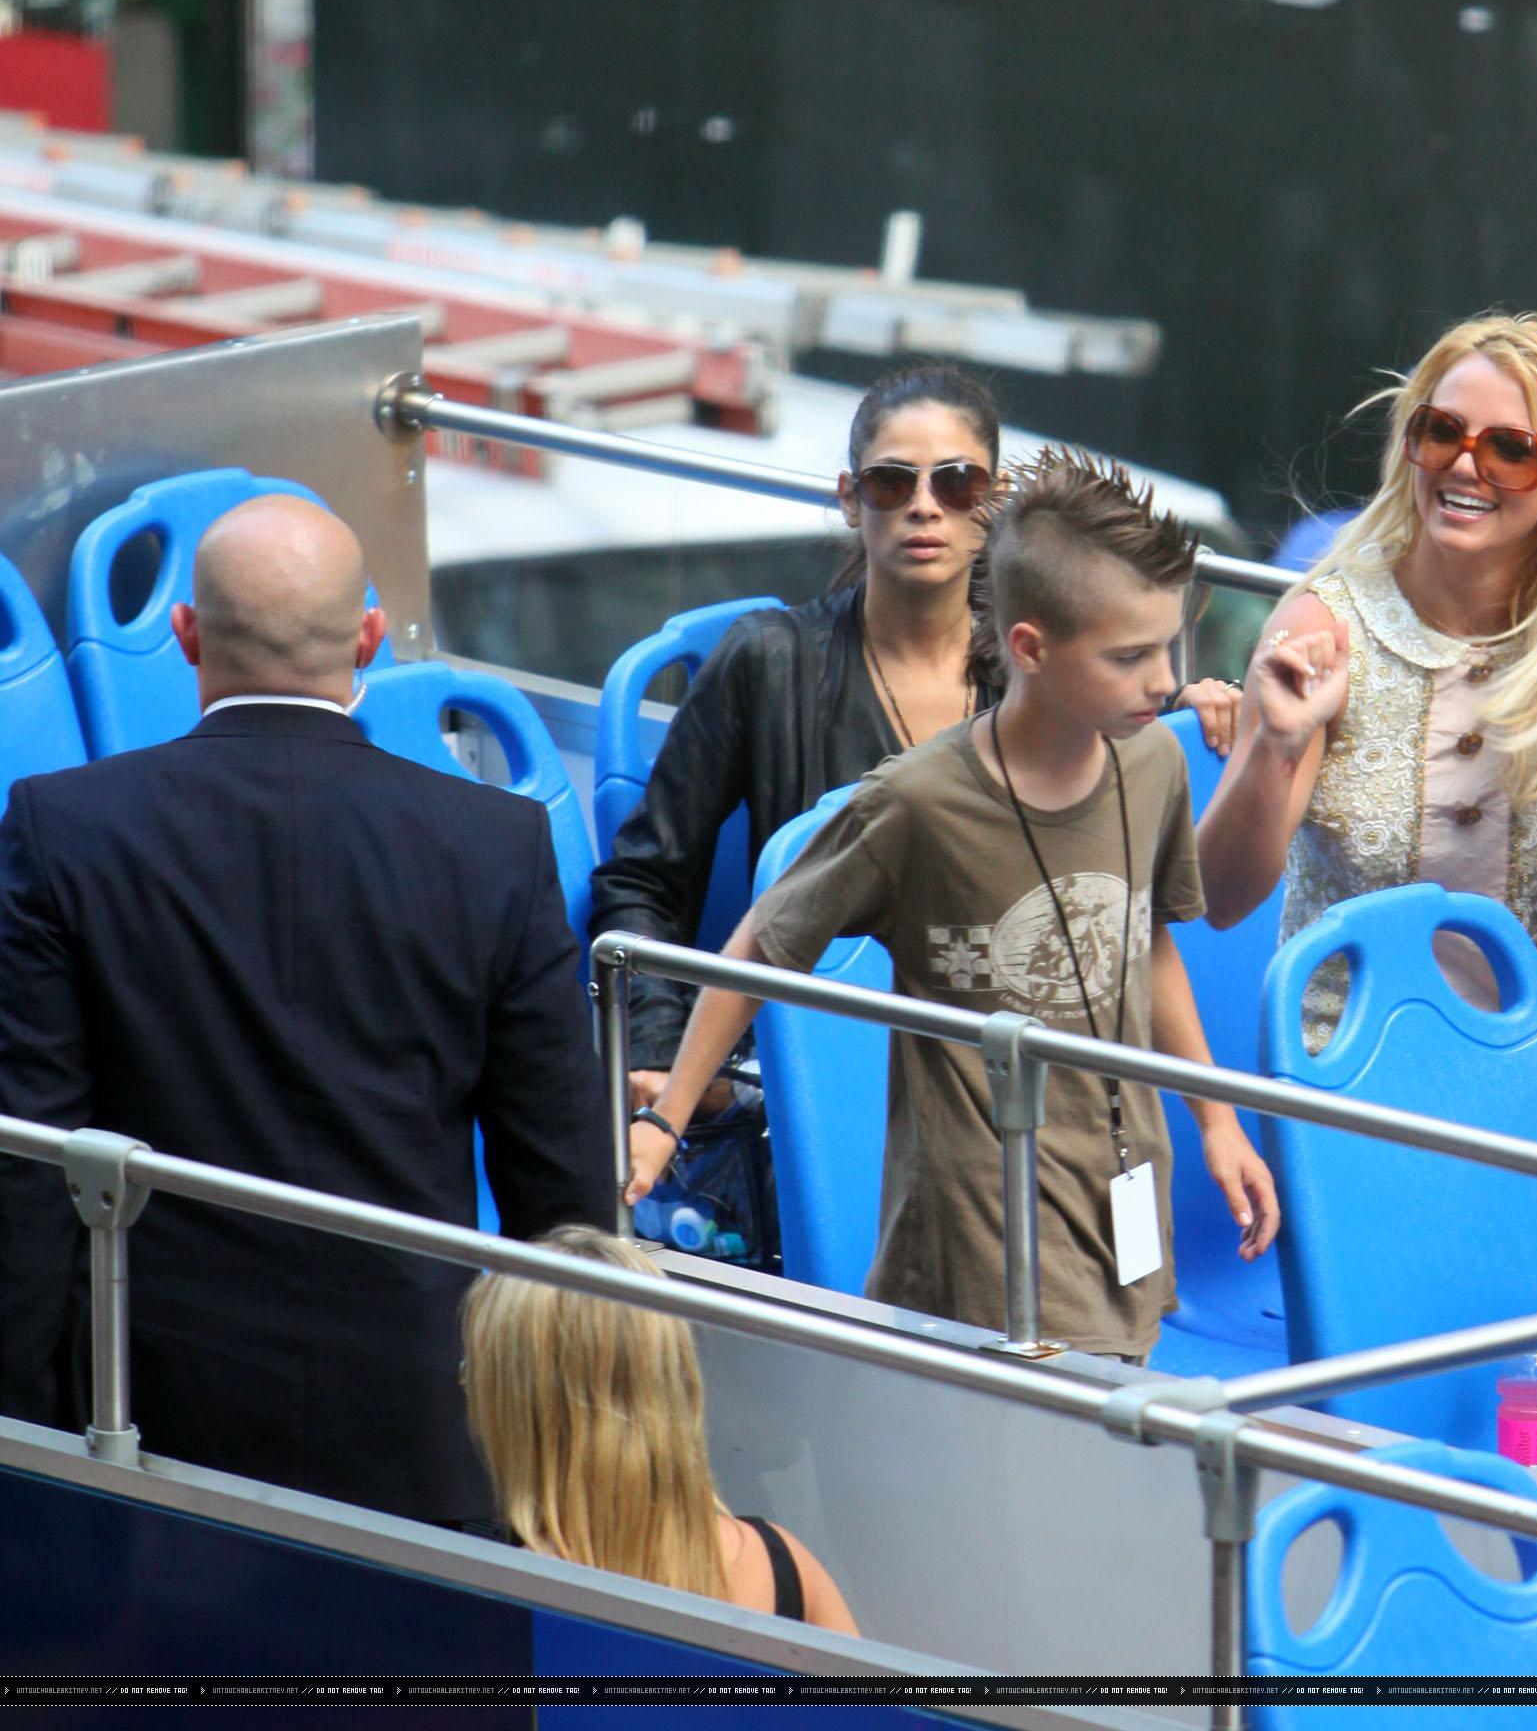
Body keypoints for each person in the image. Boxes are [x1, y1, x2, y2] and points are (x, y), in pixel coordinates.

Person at [0, 496, 615, 1524]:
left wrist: (22, 1441)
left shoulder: (65, 830)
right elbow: (563, 1185)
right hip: (421, 1414)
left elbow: (28, 1169)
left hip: (147, 1409)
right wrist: (564, 1457)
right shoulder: (495, 846)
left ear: (186, 635)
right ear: (370, 637)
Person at [628, 451, 1280, 1361]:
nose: (1162, 681)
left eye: (1170, 648)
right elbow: (762, 946)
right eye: (1129, 656)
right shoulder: (918, 802)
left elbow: (1149, 940)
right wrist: (664, 1121)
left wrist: (1215, 1119)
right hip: (979, 1239)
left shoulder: (1154, 763)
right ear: (1030, 649)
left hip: (1123, 1187)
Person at [590, 364, 1237, 1113]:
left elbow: (1130, 900)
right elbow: (643, 882)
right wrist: (658, 1054)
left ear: (995, 501)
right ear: (850, 499)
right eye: (892, 483)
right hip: (821, 1067)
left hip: (1006, 1054)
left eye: (958, 483)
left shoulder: (1040, 668)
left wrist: (1175, 699)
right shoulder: (768, 661)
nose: (925, 506)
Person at [1195, 313, 1537, 1031]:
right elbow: (1221, 900)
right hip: (1346, 1056)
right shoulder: (1321, 630)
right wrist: (1274, 746)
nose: (1465, 466)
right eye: (1441, 432)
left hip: (1536, 1056)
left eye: (1511, 450)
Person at [461, 1225, 860, 1634]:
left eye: (472, 1373)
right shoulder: (784, 1567)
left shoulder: (491, 1610)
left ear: (514, 1410)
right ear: (676, 1382)